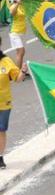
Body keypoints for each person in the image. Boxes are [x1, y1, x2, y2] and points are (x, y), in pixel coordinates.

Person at [0, 36, 26, 169]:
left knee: (1, 130)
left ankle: (0, 157)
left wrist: (23, 70)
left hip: (4, 103)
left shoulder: (6, 61)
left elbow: (18, 78)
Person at [8, 0, 27, 69]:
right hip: (14, 32)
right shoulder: (13, 6)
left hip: (20, 32)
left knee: (20, 52)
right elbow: (12, 13)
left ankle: (18, 70)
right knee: (21, 51)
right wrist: (17, 3)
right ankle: (18, 73)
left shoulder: (22, 7)